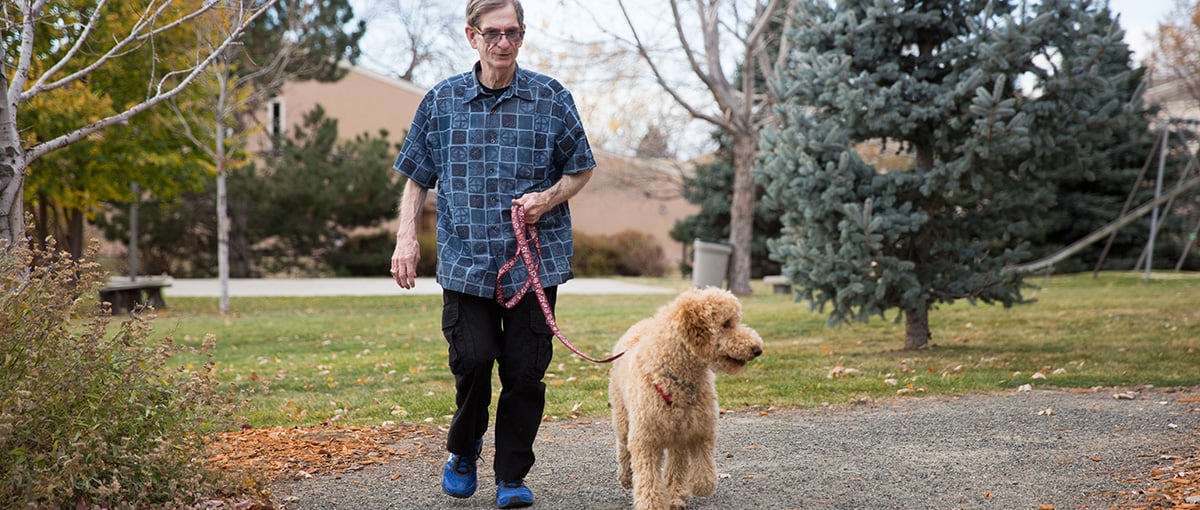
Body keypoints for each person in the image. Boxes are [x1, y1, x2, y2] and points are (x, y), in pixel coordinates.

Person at [388, 0, 595, 507]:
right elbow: (416, 175)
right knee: (474, 361)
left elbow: (582, 167)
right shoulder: (441, 101)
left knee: (525, 373)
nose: (504, 43)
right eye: (493, 33)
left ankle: (511, 478)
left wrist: (547, 199)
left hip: (534, 263)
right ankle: (464, 449)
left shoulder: (551, 97)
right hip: (466, 262)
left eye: (513, 32)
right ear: (471, 36)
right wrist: (406, 238)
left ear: (522, 35)